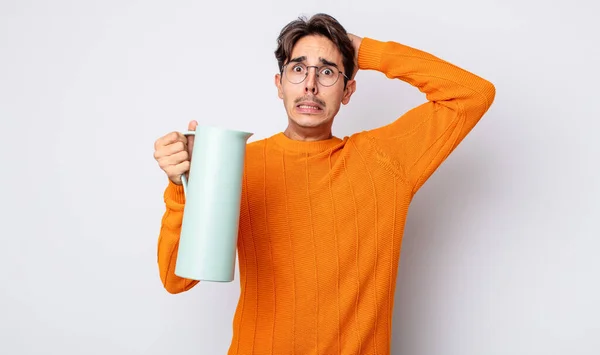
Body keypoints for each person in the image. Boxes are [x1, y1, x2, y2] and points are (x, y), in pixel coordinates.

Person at [153, 13, 495, 355]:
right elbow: (176, 279)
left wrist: (367, 50)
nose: (310, 85)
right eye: (298, 69)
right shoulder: (239, 164)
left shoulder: (385, 161)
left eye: (328, 71)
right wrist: (182, 187)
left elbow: (473, 94)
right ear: (279, 84)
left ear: (348, 91)